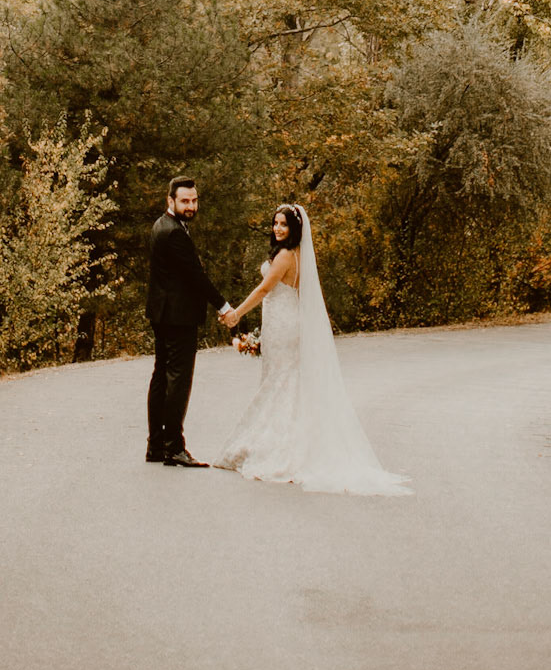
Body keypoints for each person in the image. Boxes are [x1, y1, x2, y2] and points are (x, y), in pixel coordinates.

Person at [214, 203, 409, 495]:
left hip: (282, 325)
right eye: (275, 223)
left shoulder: (285, 256)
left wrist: (236, 314)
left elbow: (264, 289)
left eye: (284, 224)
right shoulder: (298, 255)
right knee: (285, 380)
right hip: (286, 321)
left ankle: (279, 448)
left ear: (295, 229)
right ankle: (290, 441)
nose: (277, 228)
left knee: (279, 381)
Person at [145, 175, 233, 468]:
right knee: (177, 380)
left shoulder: (162, 225)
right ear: (170, 200)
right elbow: (196, 277)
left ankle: (156, 445)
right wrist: (223, 306)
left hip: (162, 313)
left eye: (194, 201)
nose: (191, 206)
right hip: (177, 316)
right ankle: (174, 447)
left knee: (161, 376)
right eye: (185, 201)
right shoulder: (174, 233)